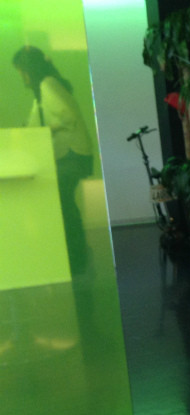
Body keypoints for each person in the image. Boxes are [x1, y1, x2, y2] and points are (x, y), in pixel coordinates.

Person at [13, 46, 94, 275]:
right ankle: (76, 255)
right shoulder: (44, 87)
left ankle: (76, 257)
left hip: (72, 155)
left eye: (21, 70)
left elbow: (68, 117)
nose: (21, 75)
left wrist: (46, 130)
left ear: (29, 69)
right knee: (64, 203)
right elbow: (34, 121)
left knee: (63, 203)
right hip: (73, 156)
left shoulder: (47, 85)